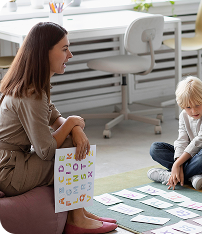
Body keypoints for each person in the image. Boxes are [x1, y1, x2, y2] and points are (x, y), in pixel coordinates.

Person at [0, 22, 117, 234]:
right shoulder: (31, 93)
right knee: (70, 148)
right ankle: (76, 218)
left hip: (10, 162)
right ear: (44, 52)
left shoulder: (34, 84)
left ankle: (78, 212)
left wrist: (75, 129)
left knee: (73, 140)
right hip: (9, 171)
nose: (70, 55)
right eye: (64, 49)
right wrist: (72, 123)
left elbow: (55, 117)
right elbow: (45, 150)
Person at [148, 76, 202, 190]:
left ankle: (171, 176)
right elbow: (182, 140)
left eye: (197, 105)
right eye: (188, 107)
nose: (194, 111)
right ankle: (192, 175)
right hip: (192, 157)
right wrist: (178, 161)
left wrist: (176, 165)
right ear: (182, 106)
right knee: (155, 148)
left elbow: (200, 142)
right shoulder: (183, 115)